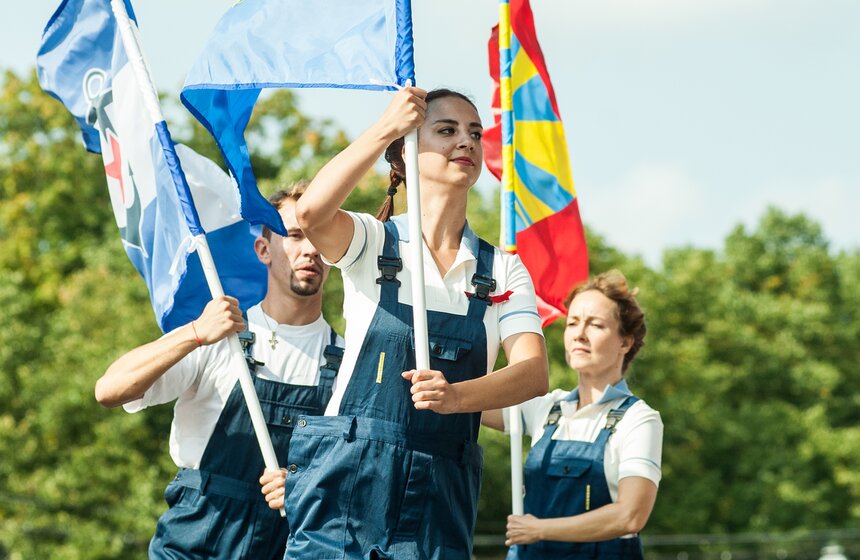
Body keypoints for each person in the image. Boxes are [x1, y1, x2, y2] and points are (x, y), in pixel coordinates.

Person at [259, 87, 549, 558]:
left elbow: (533, 374)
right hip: (347, 477)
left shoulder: (502, 270)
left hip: (441, 491)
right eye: (447, 130)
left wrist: (457, 397)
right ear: (407, 152)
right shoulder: (373, 242)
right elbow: (311, 212)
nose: (467, 143)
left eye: (475, 133)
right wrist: (385, 128)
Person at [95, 184, 343, 560]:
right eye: (294, 236)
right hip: (191, 543)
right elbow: (110, 390)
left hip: (286, 548)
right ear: (264, 250)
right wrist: (193, 334)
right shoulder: (218, 338)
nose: (310, 249)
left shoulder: (348, 360)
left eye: (320, 238)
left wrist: (306, 486)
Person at [483, 270, 663, 559]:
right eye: (573, 322)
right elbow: (468, 401)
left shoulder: (638, 419)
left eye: (595, 325)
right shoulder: (546, 407)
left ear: (625, 342)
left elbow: (630, 516)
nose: (579, 334)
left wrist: (540, 530)